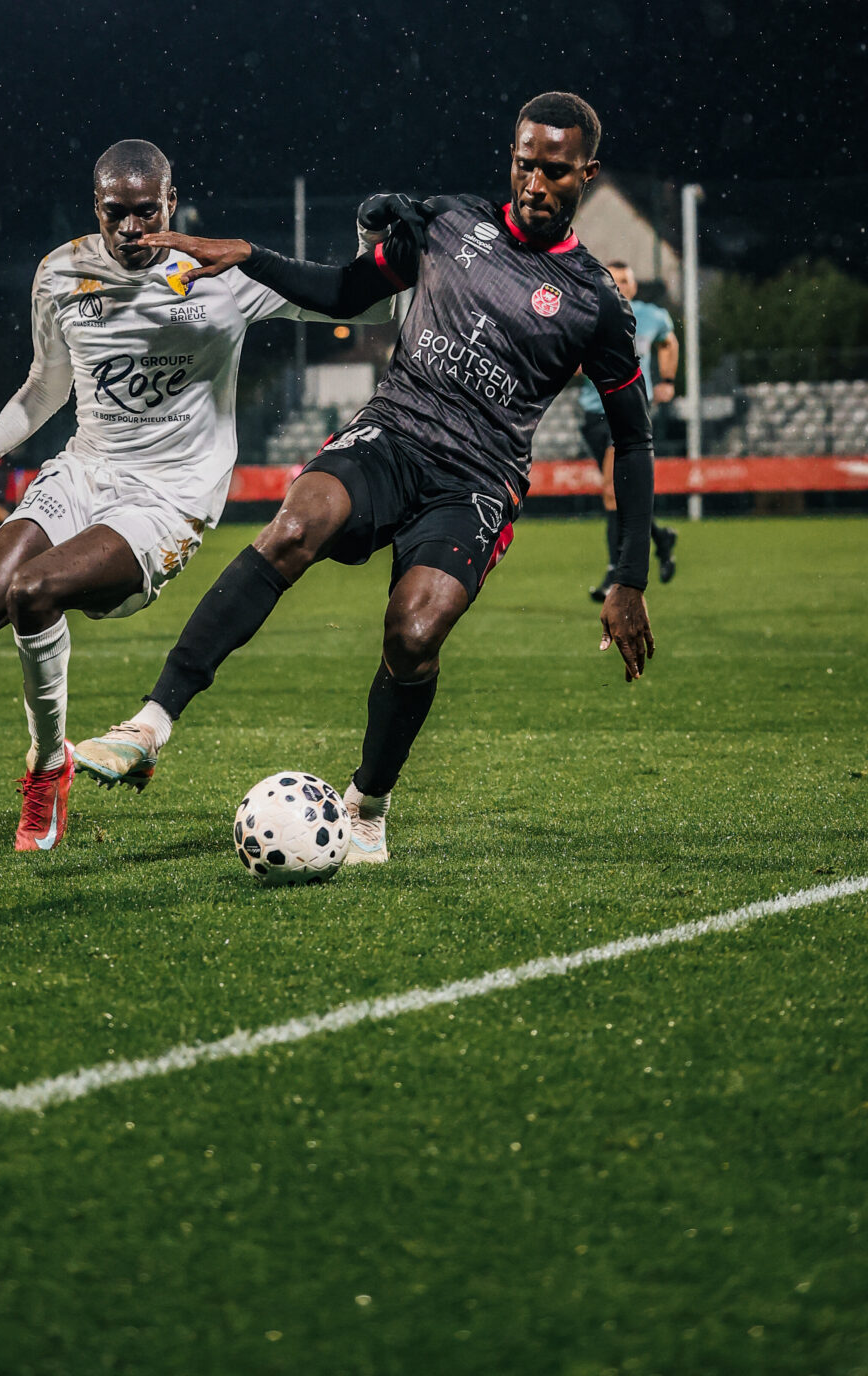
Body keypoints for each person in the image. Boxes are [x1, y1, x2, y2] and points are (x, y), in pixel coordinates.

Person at [75, 92, 656, 868]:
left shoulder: (593, 300)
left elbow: (633, 437)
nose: (535, 182)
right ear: (511, 157)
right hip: (392, 434)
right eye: (525, 163)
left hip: (475, 481)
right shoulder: (446, 223)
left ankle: (368, 806)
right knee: (294, 524)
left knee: (413, 636)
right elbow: (350, 292)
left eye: (556, 170)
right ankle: (149, 724)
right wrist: (253, 254)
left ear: (586, 174)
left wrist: (628, 577)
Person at [0, 140, 393, 863]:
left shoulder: (224, 274)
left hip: (166, 499)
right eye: (114, 213)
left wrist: (369, 244)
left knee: (32, 592)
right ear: (94, 207)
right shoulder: (61, 272)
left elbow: (367, 302)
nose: (130, 228)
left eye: (146, 212)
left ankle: (46, 769)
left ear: (172, 202)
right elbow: (45, 386)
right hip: (83, 472)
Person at [583, 256, 679, 597]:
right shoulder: (587, 312)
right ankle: (661, 537)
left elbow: (669, 342)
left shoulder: (652, 316)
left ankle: (615, 572)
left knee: (612, 491)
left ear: (635, 286)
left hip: (628, 409)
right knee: (621, 492)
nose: (619, 286)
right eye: (613, 280)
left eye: (625, 280)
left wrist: (667, 380)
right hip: (592, 413)